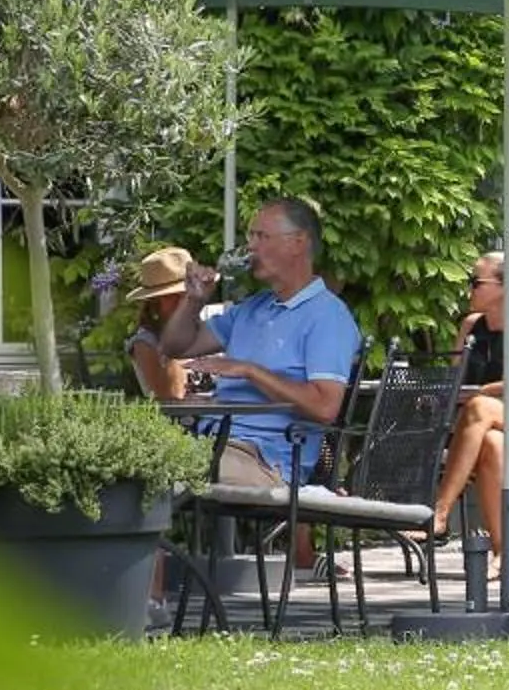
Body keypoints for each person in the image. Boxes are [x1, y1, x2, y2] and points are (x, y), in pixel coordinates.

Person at [157, 195, 362, 487]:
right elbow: (176, 347)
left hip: (265, 461)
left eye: (261, 236)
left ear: (298, 242)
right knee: (124, 456)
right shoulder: (254, 307)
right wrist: (193, 301)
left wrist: (249, 370)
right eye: (250, 237)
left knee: (151, 468)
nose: (251, 246)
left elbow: (325, 408)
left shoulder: (328, 316)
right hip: (212, 444)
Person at [430, 249, 509, 540]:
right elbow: (455, 379)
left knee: (479, 406)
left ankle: (439, 512)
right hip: (488, 429)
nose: (469, 288)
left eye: (476, 282)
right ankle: (503, 553)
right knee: (492, 443)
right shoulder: (470, 326)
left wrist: (475, 393)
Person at [119, 246, 195, 403]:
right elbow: (173, 396)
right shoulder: (146, 342)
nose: (182, 301)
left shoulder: (211, 327)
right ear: (155, 303)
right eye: (171, 296)